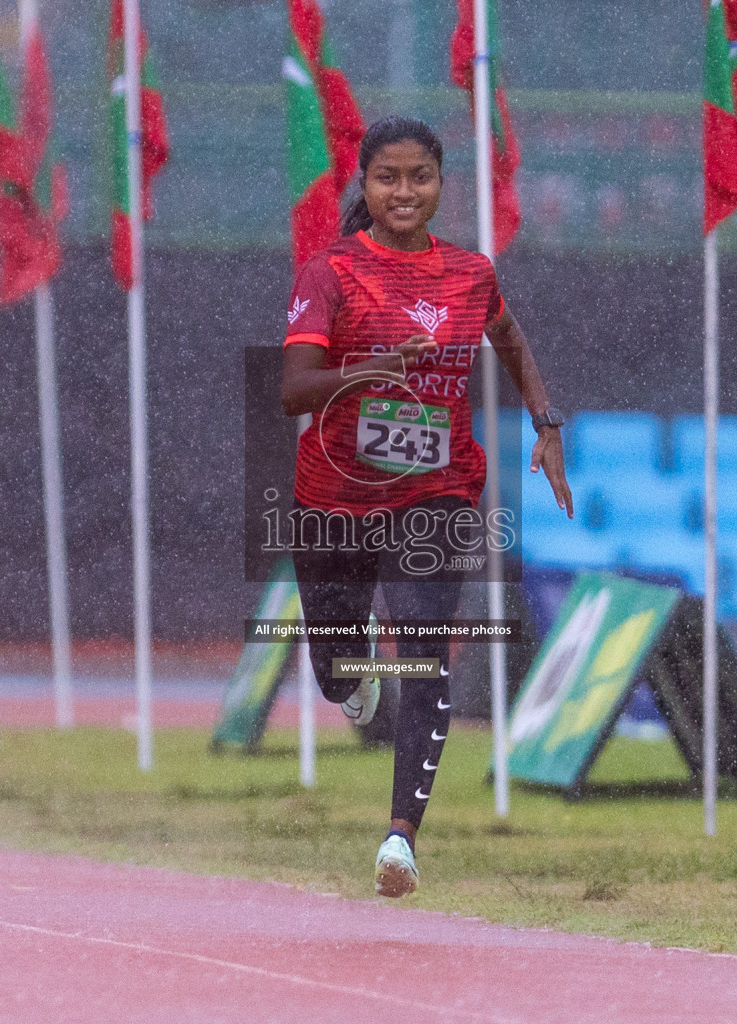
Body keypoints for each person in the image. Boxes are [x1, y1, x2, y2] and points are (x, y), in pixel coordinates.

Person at [280, 115, 571, 898]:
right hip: (336, 495)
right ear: (366, 187)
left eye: (420, 178)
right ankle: (353, 684)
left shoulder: (469, 273)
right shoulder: (330, 272)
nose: (404, 192)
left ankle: (401, 836)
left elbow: (508, 336)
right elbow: (292, 391)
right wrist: (372, 368)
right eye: (388, 179)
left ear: (440, 184)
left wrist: (545, 422)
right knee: (334, 670)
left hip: (436, 491)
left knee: (426, 645)